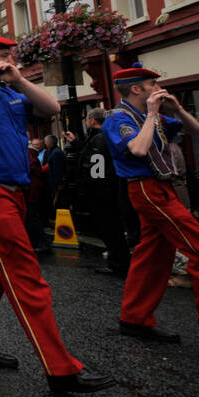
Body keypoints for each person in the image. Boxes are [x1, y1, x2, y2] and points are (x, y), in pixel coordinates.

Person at [0, 29, 114, 393]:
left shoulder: (11, 89)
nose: (16, 60)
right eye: (10, 55)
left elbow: (52, 109)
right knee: (25, 275)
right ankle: (60, 369)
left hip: (11, 189)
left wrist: (17, 79)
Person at [104, 63, 199, 355]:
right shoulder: (119, 118)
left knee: (152, 256)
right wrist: (151, 114)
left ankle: (134, 318)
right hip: (146, 189)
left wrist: (176, 109)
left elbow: (196, 129)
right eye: (153, 84)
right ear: (137, 89)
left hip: (162, 187)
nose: (159, 88)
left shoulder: (157, 116)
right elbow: (137, 148)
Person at [74, 109, 136, 276]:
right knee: (112, 228)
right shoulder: (103, 137)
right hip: (108, 189)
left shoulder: (99, 139)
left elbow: (97, 167)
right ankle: (119, 261)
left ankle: (118, 263)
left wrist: (93, 189)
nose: (87, 121)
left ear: (93, 120)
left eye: (87, 119)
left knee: (110, 228)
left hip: (102, 192)